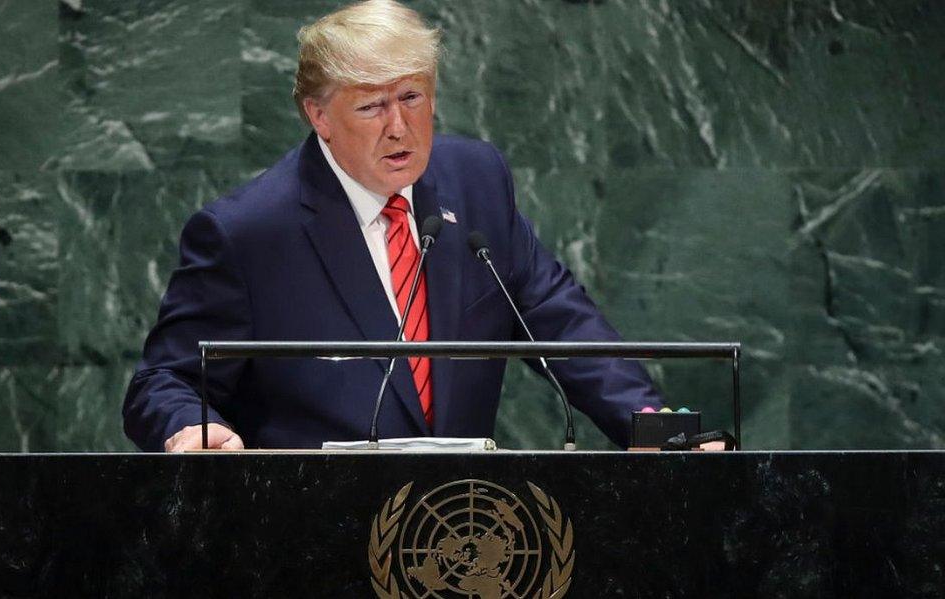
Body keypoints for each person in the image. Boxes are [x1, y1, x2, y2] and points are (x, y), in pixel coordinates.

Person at [122, 0, 662, 452]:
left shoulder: (476, 182)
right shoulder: (248, 232)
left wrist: (652, 426)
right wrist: (189, 426)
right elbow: (165, 381)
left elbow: (557, 320)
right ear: (319, 115)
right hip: (309, 532)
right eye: (372, 106)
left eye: (411, 98)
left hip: (459, 526)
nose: (398, 127)